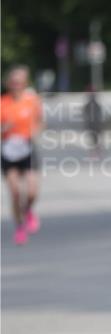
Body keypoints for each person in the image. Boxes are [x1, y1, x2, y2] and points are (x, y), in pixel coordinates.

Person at [1, 65, 43, 245]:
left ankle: (27, 211)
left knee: (32, 192)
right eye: (13, 82)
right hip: (8, 150)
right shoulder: (3, 103)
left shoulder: (32, 101)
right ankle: (20, 227)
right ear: (8, 84)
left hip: (27, 148)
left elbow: (40, 121)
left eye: (20, 82)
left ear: (25, 84)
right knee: (15, 192)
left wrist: (35, 132)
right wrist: (4, 129)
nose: (16, 85)